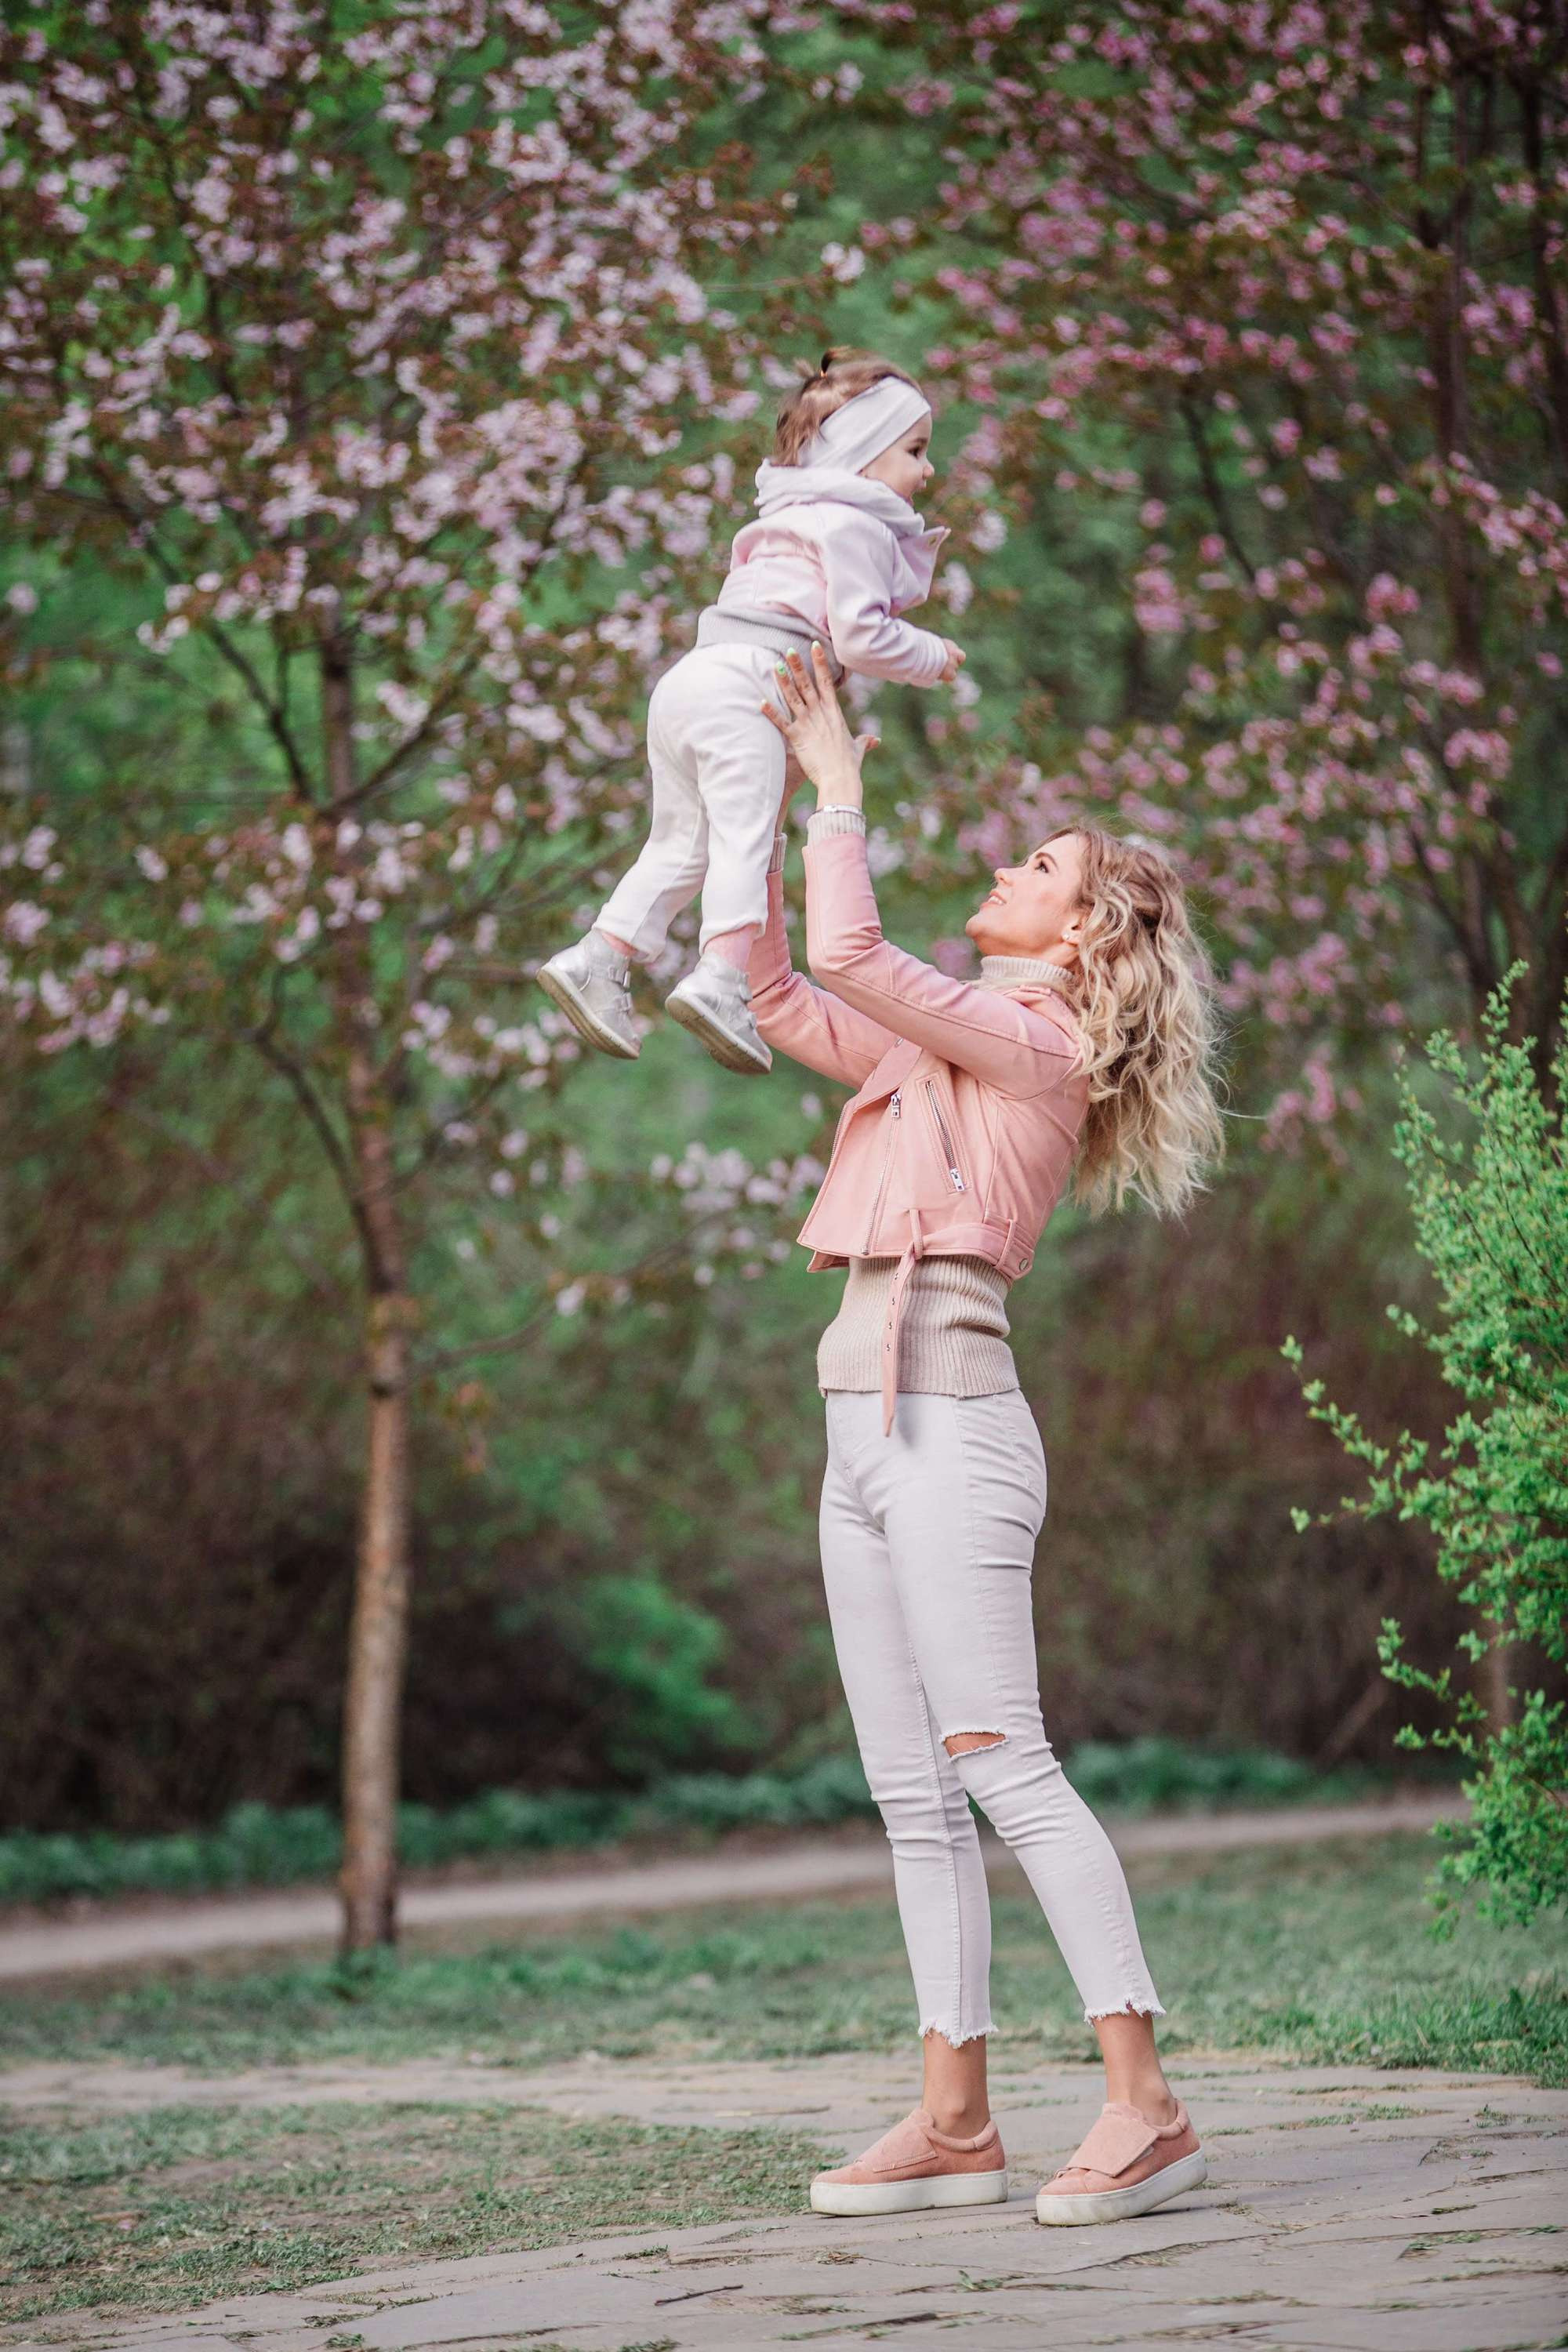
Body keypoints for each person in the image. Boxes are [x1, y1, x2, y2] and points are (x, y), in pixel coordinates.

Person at [753, 644, 1225, 2229]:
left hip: (957, 1429)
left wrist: (842, 790)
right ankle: (955, 2121)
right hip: (855, 1437)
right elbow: (769, 989)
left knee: (998, 1762)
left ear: (1078, 930)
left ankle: (1142, 2103)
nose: (1008, 866)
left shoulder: (1033, 1048)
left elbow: (855, 944)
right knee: (909, 1793)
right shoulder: (927, 1045)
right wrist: (741, 794)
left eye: (1040, 865)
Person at [536, 349, 965, 1077]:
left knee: (680, 843)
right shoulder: (853, 524)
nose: (928, 472)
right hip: (752, 683)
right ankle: (722, 979)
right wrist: (929, 656)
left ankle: (598, 958)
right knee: (745, 834)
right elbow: (859, 633)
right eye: (916, 451)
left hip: (690, 680)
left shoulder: (782, 521)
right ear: (862, 455)